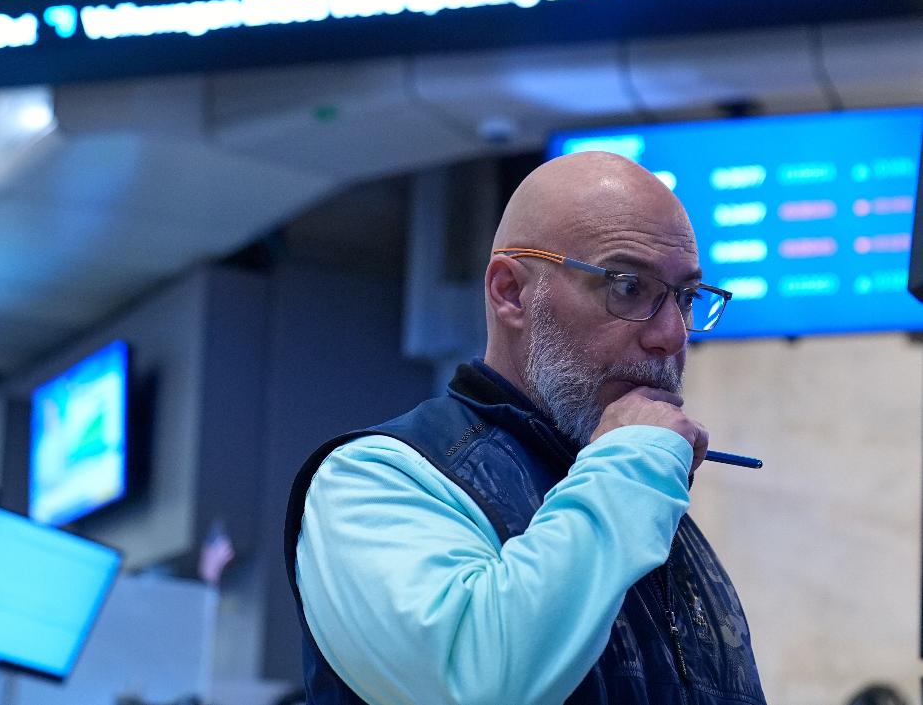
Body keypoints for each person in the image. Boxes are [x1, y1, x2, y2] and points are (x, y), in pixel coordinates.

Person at [284, 151, 767, 705]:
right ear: (511, 292)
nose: (672, 336)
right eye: (629, 286)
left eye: (684, 298)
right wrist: (633, 461)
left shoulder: (630, 490)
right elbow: (475, 684)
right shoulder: (375, 478)